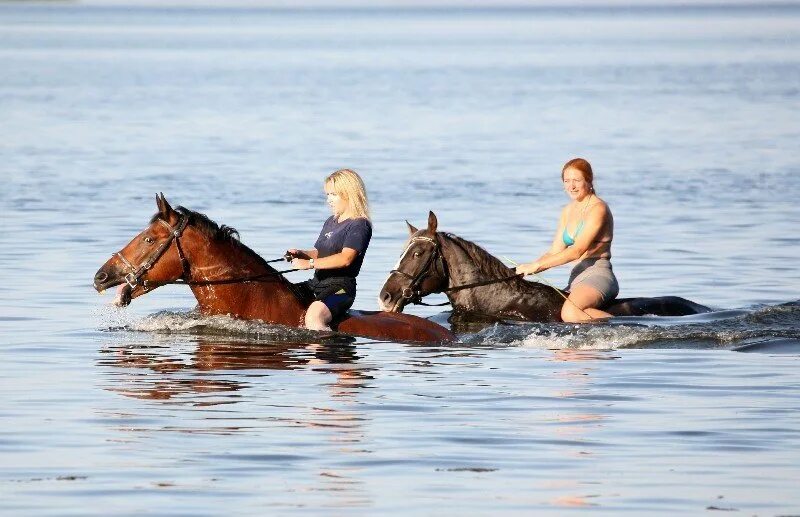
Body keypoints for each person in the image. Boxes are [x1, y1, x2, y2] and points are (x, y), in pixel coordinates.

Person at [515, 158, 618, 322]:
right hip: (575, 277)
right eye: (567, 181)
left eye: (577, 180)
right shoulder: (567, 211)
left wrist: (537, 266)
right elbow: (555, 251)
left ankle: (628, 330)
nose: (571, 186)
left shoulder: (598, 208)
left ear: (589, 180)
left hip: (598, 274)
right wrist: (525, 269)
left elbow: (577, 251)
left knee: (569, 313)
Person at [287, 169, 373, 331]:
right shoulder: (331, 221)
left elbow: (345, 258)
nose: (329, 200)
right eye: (327, 195)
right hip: (316, 284)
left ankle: (325, 352)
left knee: (314, 316)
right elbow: (320, 253)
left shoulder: (359, 224)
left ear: (348, 194)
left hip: (341, 291)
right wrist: (301, 253)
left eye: (333, 195)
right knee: (281, 297)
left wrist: (309, 263)